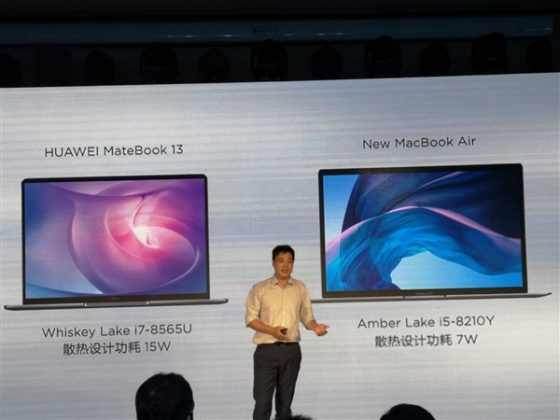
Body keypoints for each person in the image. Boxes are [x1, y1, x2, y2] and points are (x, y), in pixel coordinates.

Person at [245, 244, 329, 420]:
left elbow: (307, 317)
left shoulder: (300, 288)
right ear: (273, 263)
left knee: (284, 406)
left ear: (293, 264)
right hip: (266, 351)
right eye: (281, 260)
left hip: (291, 351)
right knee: (262, 403)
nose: (285, 265)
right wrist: (272, 331)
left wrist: (315, 327)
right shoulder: (259, 288)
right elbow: (251, 319)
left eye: (289, 261)